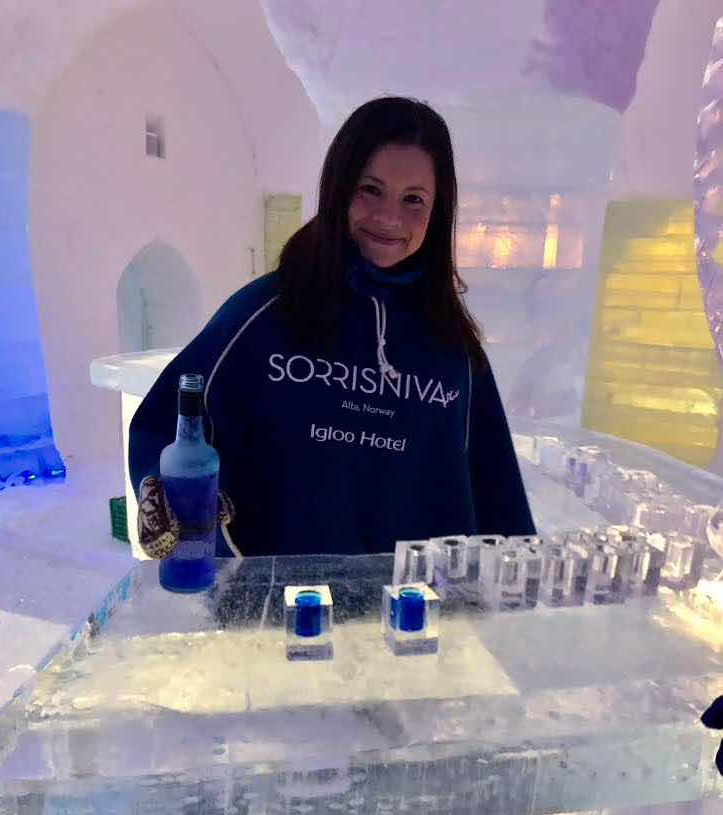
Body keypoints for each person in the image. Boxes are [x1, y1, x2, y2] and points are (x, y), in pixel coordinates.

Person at [129, 96, 535, 558]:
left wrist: (514, 601)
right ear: (339, 188)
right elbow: (169, 418)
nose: (389, 218)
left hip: (415, 613)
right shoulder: (264, 313)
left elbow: (496, 485)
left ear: (438, 212)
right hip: (274, 607)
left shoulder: (454, 348)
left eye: (414, 200)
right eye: (370, 190)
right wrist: (164, 487)